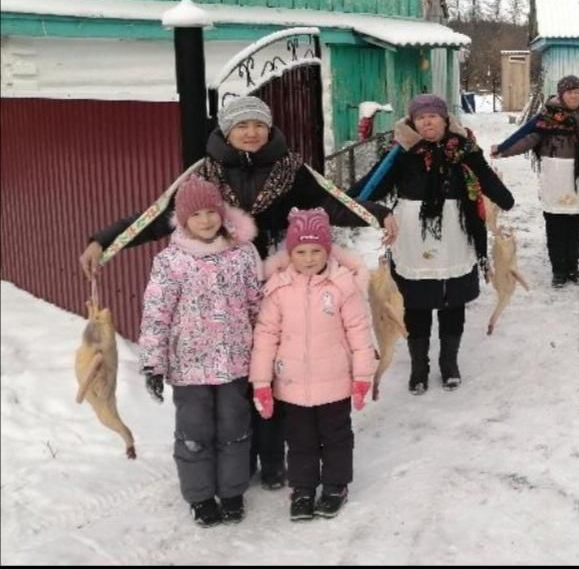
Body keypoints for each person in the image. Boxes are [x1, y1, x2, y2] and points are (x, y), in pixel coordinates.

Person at [79, 95, 397, 491]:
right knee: (240, 380)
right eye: (242, 126)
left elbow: (331, 203)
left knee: (274, 370)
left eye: (258, 125)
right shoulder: (205, 173)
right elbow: (158, 216)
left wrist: (378, 213)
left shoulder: (290, 170)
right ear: (227, 131)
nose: (251, 133)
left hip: (277, 284)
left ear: (269, 129)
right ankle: (241, 458)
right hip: (226, 290)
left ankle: (273, 459)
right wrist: (102, 242)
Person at [352, 94, 514, 396]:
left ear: (444, 119)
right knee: (416, 303)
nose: (427, 121)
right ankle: (419, 366)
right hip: (413, 238)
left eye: (433, 116)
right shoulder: (401, 153)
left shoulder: (465, 150)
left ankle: (449, 362)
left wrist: (504, 198)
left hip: (457, 236)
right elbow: (371, 186)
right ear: (413, 122)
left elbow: (488, 180)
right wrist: (345, 202)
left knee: (453, 301)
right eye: (420, 117)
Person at [138, 176, 263, 528]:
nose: (206, 220)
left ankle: (233, 491)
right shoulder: (170, 262)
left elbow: (257, 306)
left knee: (235, 428)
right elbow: (156, 314)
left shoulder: (241, 254)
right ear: (183, 219)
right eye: (197, 214)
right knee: (194, 432)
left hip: (235, 364)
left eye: (212, 211)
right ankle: (200, 496)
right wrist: (153, 364)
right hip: (189, 368)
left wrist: (266, 354)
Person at [249, 207, 377, 521]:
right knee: (299, 441)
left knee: (336, 436)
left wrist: (362, 378)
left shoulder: (343, 286)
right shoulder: (278, 289)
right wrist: (262, 384)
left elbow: (360, 333)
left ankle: (335, 485)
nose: (309, 258)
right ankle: (303, 488)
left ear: (328, 250)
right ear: (290, 253)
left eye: (316, 250)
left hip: (334, 383)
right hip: (291, 388)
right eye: (301, 251)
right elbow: (265, 338)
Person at [492, 75, 579, 287]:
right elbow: (528, 138)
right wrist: (504, 151)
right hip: (555, 180)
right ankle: (559, 271)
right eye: (569, 92)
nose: (574, 95)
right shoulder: (549, 117)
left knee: (576, 226)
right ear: (561, 95)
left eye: (577, 91)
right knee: (556, 227)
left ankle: (573, 267)